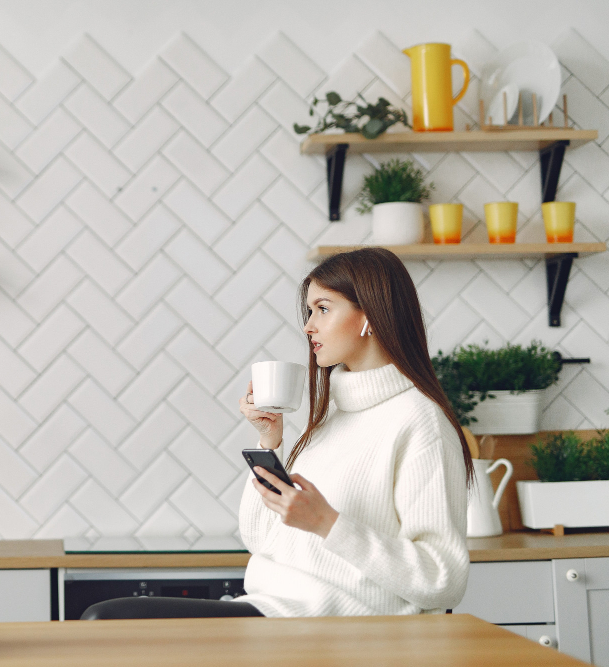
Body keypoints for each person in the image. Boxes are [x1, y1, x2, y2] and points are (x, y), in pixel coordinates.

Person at [81, 248, 472, 620]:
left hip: (330, 627)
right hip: (271, 608)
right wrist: (270, 443)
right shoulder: (333, 417)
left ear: (368, 315)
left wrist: (328, 524)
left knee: (105, 621)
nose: (308, 326)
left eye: (323, 309)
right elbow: (261, 540)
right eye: (308, 311)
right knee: (106, 622)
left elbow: (443, 579)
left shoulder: (420, 422)